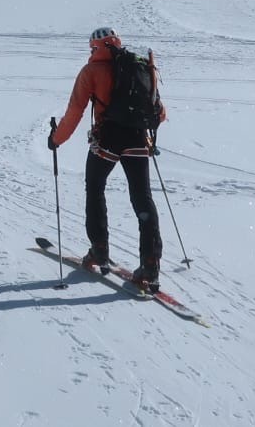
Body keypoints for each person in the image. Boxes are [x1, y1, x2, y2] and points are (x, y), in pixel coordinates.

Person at [47, 26, 167, 292]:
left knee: (95, 189)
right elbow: (160, 113)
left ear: (94, 47)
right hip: (138, 139)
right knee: (143, 199)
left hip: (108, 140)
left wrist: (56, 139)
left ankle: (99, 251)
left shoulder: (91, 71)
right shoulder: (140, 66)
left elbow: (75, 111)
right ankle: (150, 265)